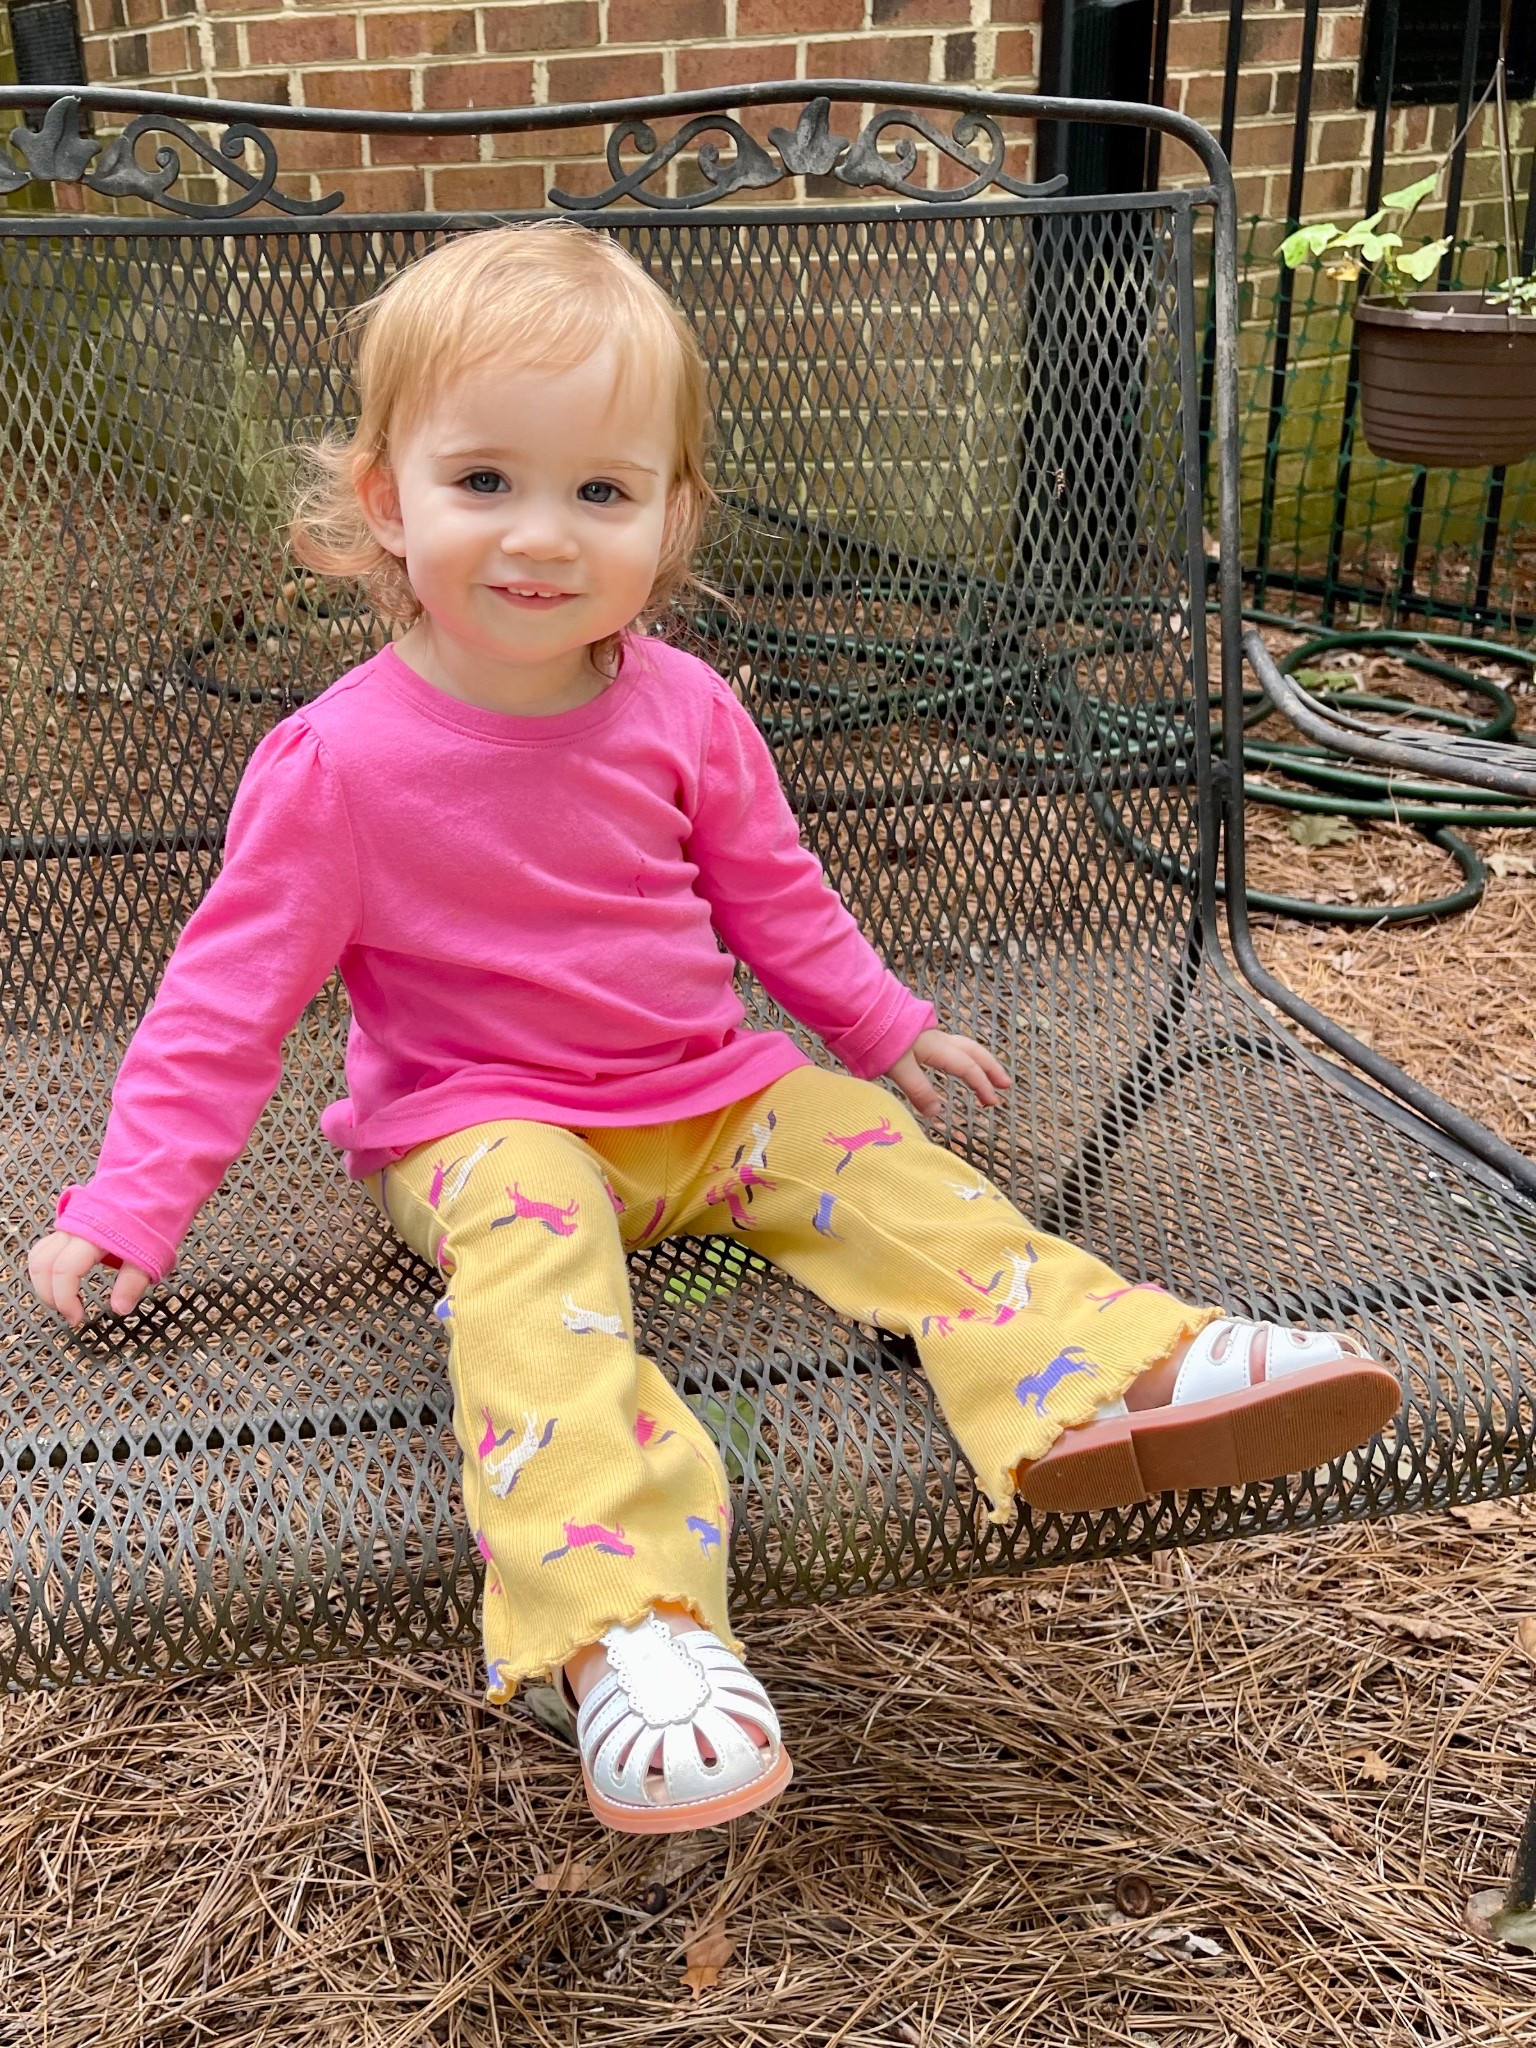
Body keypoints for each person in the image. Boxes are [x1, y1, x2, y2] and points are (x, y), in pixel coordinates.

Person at [26, 223, 1399, 1837]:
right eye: (485, 483)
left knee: (872, 1157)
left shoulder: (688, 708)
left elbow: (779, 900)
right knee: (536, 1269)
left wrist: (885, 1028)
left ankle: (1106, 1371)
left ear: (670, 520)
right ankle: (629, 1625)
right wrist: (131, 1201)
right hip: (483, 1125)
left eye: (601, 493)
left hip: (706, 1094)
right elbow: (223, 1005)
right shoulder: (335, 764)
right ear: (387, 499)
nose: (542, 537)